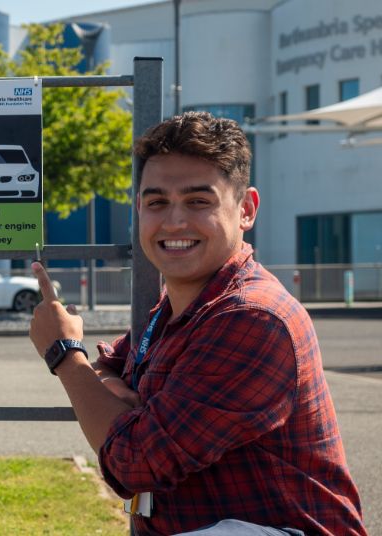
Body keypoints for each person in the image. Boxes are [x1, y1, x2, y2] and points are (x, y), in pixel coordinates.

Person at [28, 112, 366, 535]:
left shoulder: (251, 317)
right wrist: (114, 392)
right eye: (156, 202)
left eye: (198, 201)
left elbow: (134, 463)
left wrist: (64, 354)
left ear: (246, 210)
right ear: (138, 211)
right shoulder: (182, 306)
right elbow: (116, 360)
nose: (173, 222)